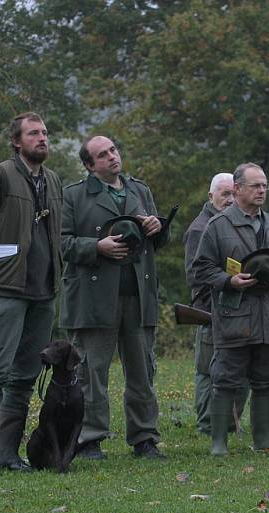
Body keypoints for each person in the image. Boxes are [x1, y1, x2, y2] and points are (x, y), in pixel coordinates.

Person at [0, 112, 63, 473]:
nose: (42, 138)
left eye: (45, 133)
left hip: (43, 293)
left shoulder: (52, 180)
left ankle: (6, 455)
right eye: (33, 133)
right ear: (17, 141)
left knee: (23, 376)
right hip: (4, 290)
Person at [59, 135, 169, 460]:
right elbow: (62, 244)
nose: (111, 157)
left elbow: (159, 241)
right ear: (90, 166)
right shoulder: (73, 196)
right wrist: (96, 247)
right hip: (93, 299)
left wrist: (157, 228)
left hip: (138, 294)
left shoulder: (140, 190)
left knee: (142, 371)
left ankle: (145, 438)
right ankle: (88, 439)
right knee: (91, 372)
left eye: (113, 150)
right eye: (102, 155)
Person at [193, 162, 269, 455]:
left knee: (265, 377)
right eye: (255, 186)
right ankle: (218, 443)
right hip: (234, 315)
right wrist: (228, 280)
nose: (261, 191)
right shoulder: (217, 226)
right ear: (237, 189)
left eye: (264, 186)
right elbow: (200, 269)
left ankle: (263, 442)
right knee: (225, 379)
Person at [182, 173, 248, 435]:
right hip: (210, 309)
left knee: (238, 369)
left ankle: (230, 423)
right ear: (211, 196)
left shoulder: (233, 223)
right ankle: (207, 425)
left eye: (233, 194)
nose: (230, 200)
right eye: (224, 194)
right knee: (208, 370)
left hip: (237, 308)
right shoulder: (200, 228)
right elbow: (194, 274)